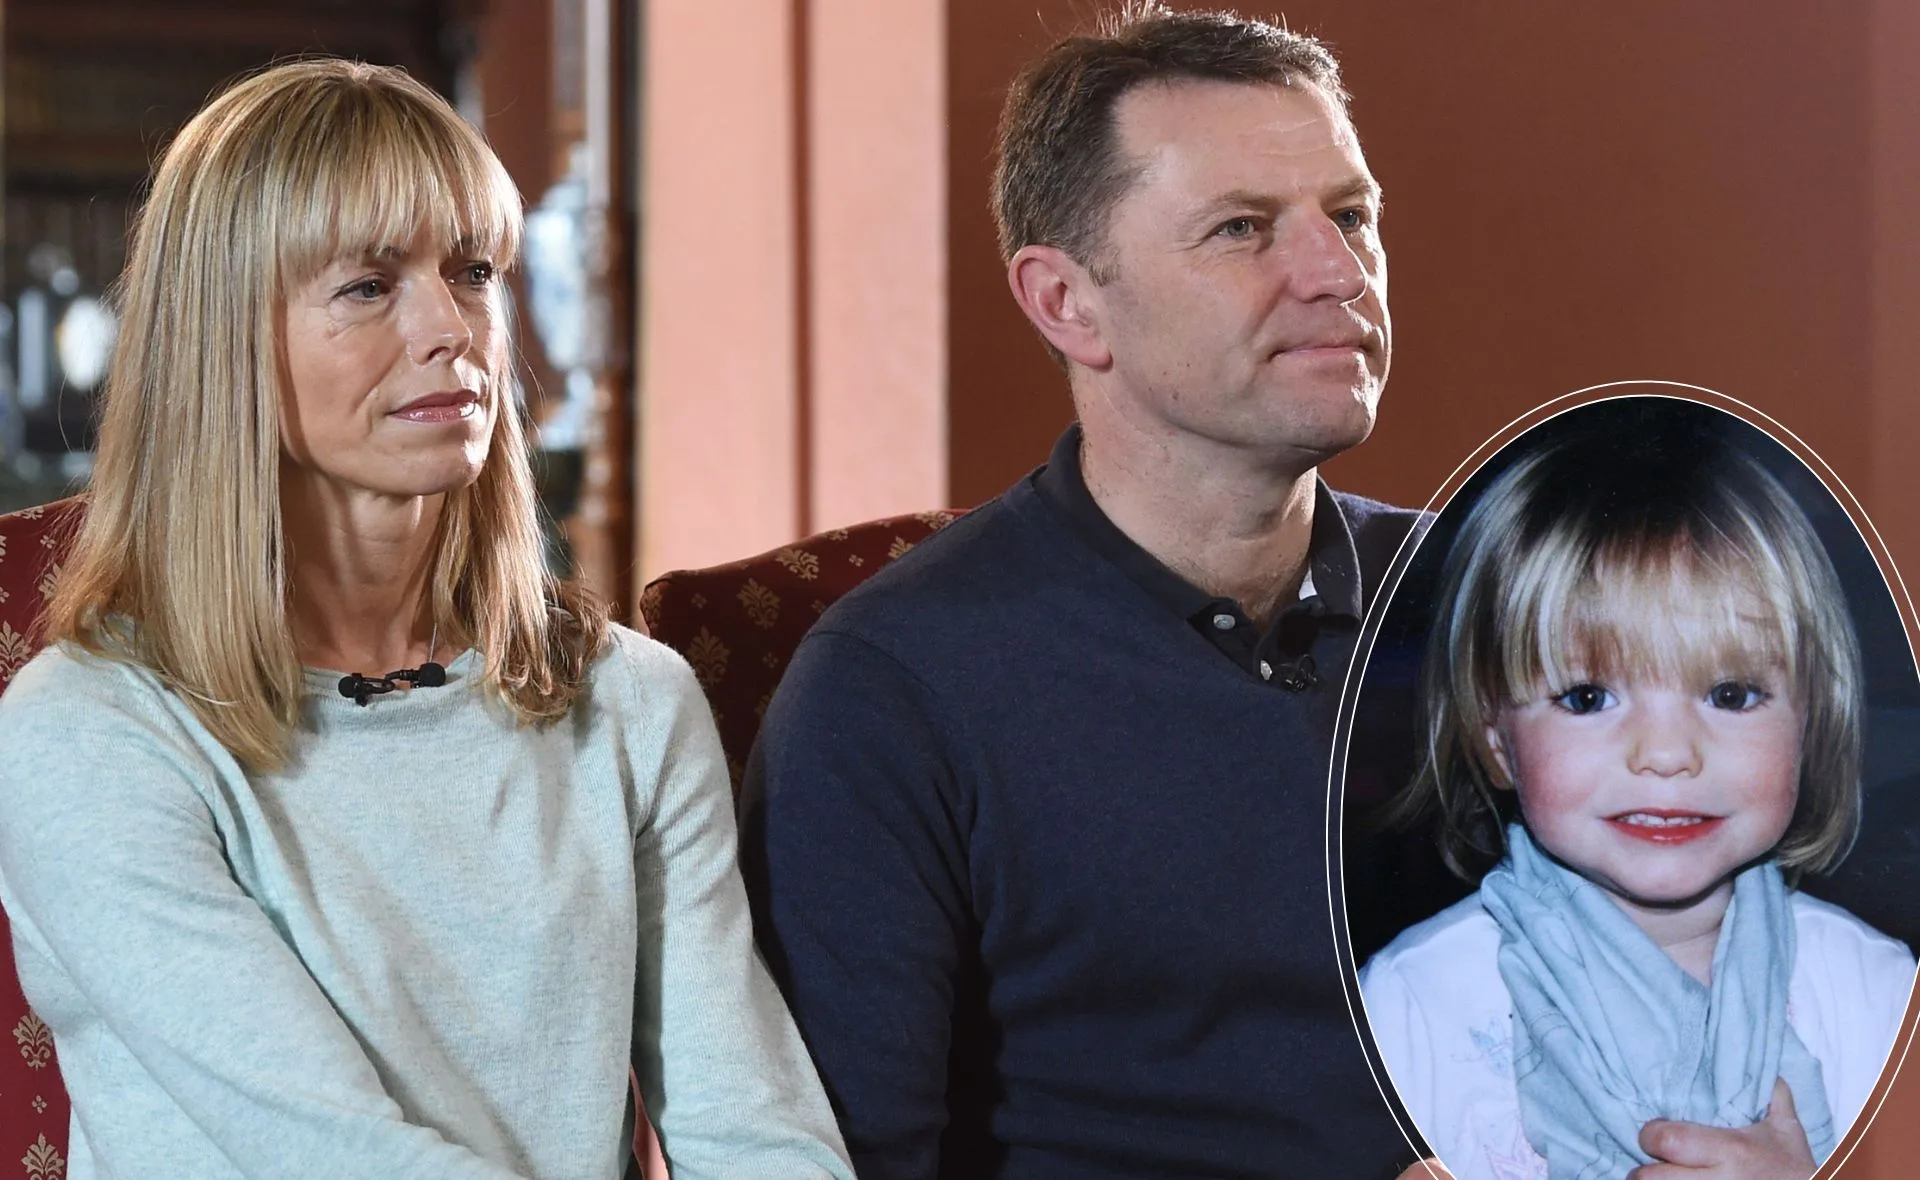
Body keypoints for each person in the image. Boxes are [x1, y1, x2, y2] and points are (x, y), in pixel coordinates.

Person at [0, 60, 852, 1180]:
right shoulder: (89, 733)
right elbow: (339, 1157)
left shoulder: (631, 700)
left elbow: (756, 1132)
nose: (452, 328)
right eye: (367, 285)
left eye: (474, 271)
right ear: (226, 339)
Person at [741, 6, 1428, 1177]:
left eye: (1350, 216)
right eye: (1242, 227)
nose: (1335, 273)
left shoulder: (1503, 608)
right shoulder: (894, 686)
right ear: (1066, 302)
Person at [1359, 404, 1916, 1180]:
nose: (1665, 754)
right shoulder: (1408, 1006)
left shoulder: (1879, 995)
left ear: (1811, 724)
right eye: (1587, 698)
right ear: (1496, 742)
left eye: (1730, 694)